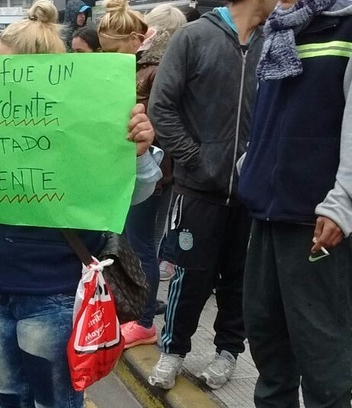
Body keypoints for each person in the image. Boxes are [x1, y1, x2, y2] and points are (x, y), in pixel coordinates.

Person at [0, 1, 159, 406]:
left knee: (53, 402)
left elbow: (141, 191)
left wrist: (140, 152)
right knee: (9, 395)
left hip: (51, 293)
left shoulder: (90, 118)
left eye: (2, 69)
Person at [147, 0, 276, 390]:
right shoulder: (194, 36)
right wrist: (198, 161)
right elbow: (161, 108)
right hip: (198, 191)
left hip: (252, 194)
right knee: (189, 275)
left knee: (240, 280)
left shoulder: (275, 42)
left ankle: (227, 352)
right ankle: (172, 350)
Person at [238, 0, 352, 406]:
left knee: (324, 361)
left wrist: (343, 203)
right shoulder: (278, 31)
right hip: (267, 213)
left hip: (317, 219)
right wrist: (250, 167)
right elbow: (269, 120)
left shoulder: (346, 29)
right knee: (268, 344)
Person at [97, 1, 185, 349]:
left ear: (137, 38)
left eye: (114, 50)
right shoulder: (138, 68)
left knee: (141, 244)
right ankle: (138, 315)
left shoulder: (154, 71)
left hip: (154, 171)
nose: (109, 57)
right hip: (144, 168)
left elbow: (163, 122)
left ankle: (144, 319)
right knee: (140, 242)